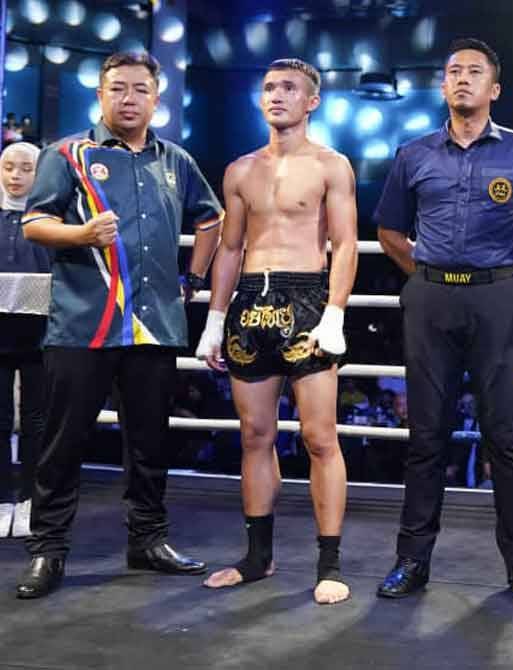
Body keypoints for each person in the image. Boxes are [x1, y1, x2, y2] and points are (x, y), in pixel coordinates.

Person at [16, 51, 221, 598]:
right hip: (83, 324)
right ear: (101, 95)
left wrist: (193, 279)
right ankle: (48, 551)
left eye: (138, 90)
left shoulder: (175, 159)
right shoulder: (66, 153)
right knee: (63, 444)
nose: (128, 99)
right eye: (117, 89)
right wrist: (81, 236)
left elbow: (211, 219)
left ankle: (148, 541)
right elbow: (35, 223)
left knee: (151, 442)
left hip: (153, 326)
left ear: (156, 98)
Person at [373, 37, 513, 605]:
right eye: (453, 71)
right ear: (443, 85)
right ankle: (411, 560)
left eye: (474, 72)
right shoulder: (413, 153)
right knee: (426, 436)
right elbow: (389, 231)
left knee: (506, 437)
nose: (462, 79)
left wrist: (508, 286)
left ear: (494, 89)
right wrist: (427, 280)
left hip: (499, 300)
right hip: (431, 300)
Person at [195, 58, 357, 605]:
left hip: (307, 298)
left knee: (319, 437)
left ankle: (329, 564)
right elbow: (231, 248)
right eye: (268, 87)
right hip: (251, 302)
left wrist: (334, 314)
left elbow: (347, 244)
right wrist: (214, 322)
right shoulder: (240, 170)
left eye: (289, 88)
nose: (276, 95)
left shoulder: (332, 166)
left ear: (311, 101)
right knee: (254, 436)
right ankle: (257, 558)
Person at [0, 142, 47, 539]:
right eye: (8, 167)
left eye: (25, 168)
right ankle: (1, 501)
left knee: (37, 422)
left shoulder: (50, 217)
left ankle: (30, 501)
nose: (15, 176)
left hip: (41, 333)